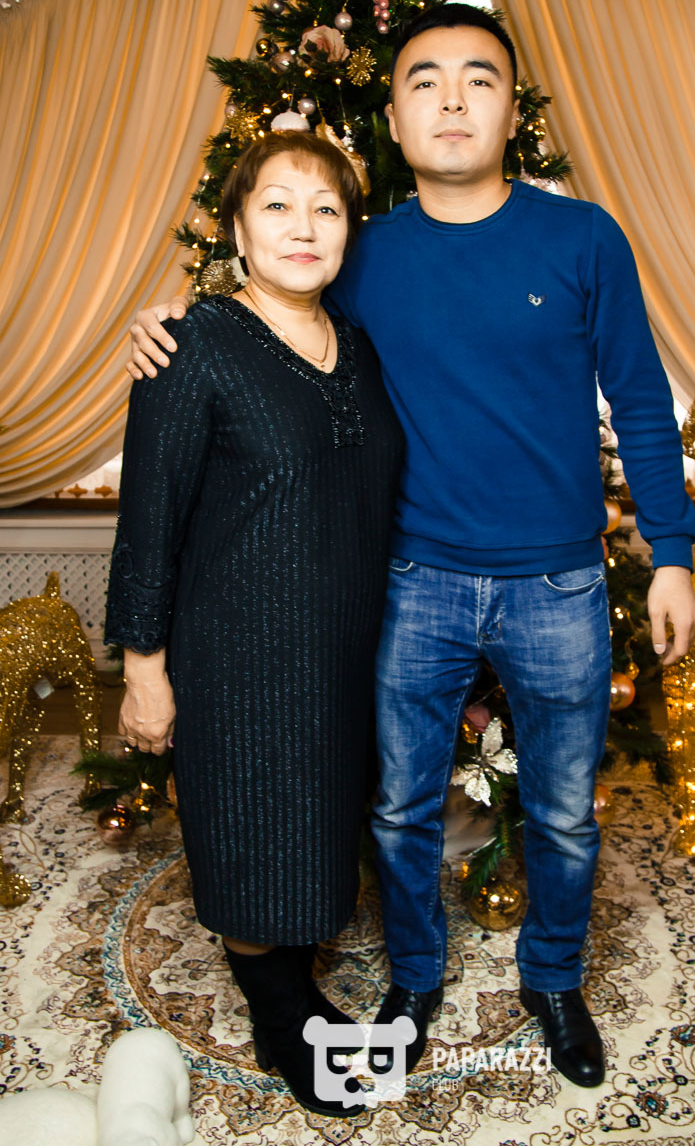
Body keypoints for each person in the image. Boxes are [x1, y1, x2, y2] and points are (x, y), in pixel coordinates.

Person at [127, 4, 695, 1090]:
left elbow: (638, 398)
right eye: (424, 79)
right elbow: (266, 309)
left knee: (564, 812)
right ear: (393, 119)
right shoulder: (362, 251)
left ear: (512, 111)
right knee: (396, 807)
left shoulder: (584, 238)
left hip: (558, 582)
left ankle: (554, 979)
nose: (451, 98)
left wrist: (670, 552)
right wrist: (168, 326)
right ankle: (417, 977)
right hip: (414, 579)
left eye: (478, 78)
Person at [106, 130, 404, 1118]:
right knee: (249, 835)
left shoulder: (358, 346)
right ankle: (281, 1011)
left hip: (342, 651)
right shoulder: (191, 344)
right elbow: (148, 518)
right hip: (236, 654)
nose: (301, 226)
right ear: (237, 230)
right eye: (276, 204)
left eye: (325, 207)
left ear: (348, 232)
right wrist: (144, 669)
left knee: (316, 829)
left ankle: (293, 977)